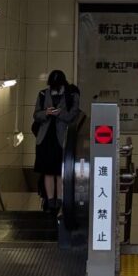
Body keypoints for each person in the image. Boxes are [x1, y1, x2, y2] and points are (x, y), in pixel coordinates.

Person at [32, 69, 80, 212]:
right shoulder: (42, 94)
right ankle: (50, 200)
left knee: (60, 171)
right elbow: (36, 115)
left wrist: (60, 113)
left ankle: (59, 200)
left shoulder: (71, 95)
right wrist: (46, 113)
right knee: (47, 171)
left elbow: (72, 115)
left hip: (62, 138)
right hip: (45, 138)